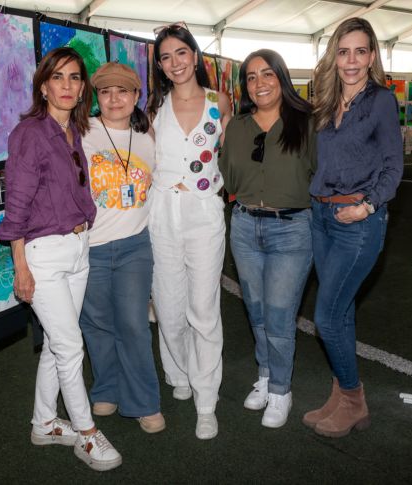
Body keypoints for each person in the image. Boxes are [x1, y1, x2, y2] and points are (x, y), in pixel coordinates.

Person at [0, 47, 121, 471]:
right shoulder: (29, 133)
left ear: (82, 87)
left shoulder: (73, 130)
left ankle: (44, 423)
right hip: (43, 254)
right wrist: (21, 267)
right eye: (58, 78)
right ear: (43, 85)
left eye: (74, 78)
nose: (67, 85)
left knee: (55, 344)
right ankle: (86, 435)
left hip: (78, 247)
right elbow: (17, 205)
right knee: (71, 347)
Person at [303, 17, 403, 438]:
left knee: (326, 317)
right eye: (344, 51)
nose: (351, 60)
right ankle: (341, 398)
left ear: (372, 56)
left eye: (360, 51)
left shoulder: (381, 100)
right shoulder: (324, 100)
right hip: (321, 217)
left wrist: (367, 206)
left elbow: (393, 165)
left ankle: (354, 397)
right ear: (334, 55)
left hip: (357, 223)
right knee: (340, 312)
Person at [218, 49, 315, 428]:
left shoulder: (307, 124)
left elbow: (320, 176)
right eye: (252, 77)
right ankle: (264, 375)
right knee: (256, 313)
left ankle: (280, 390)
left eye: (267, 74)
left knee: (278, 316)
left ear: (282, 78)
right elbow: (229, 177)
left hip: (291, 230)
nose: (260, 83)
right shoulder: (238, 128)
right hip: (244, 227)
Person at [146, 21, 232, 440]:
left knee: (204, 308)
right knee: (168, 305)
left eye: (181, 52)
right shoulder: (152, 109)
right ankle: (178, 372)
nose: (175, 62)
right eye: (166, 57)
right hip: (161, 213)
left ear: (195, 56)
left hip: (204, 214)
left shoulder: (222, 102)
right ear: (160, 66)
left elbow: (231, 158)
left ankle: (206, 399)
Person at [77, 62, 165, 434]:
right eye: (106, 92)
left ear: (136, 96)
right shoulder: (81, 133)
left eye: (123, 91)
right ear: (97, 97)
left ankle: (144, 400)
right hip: (90, 247)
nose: (114, 99)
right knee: (96, 323)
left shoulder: (148, 139)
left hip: (134, 246)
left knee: (132, 324)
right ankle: (107, 386)